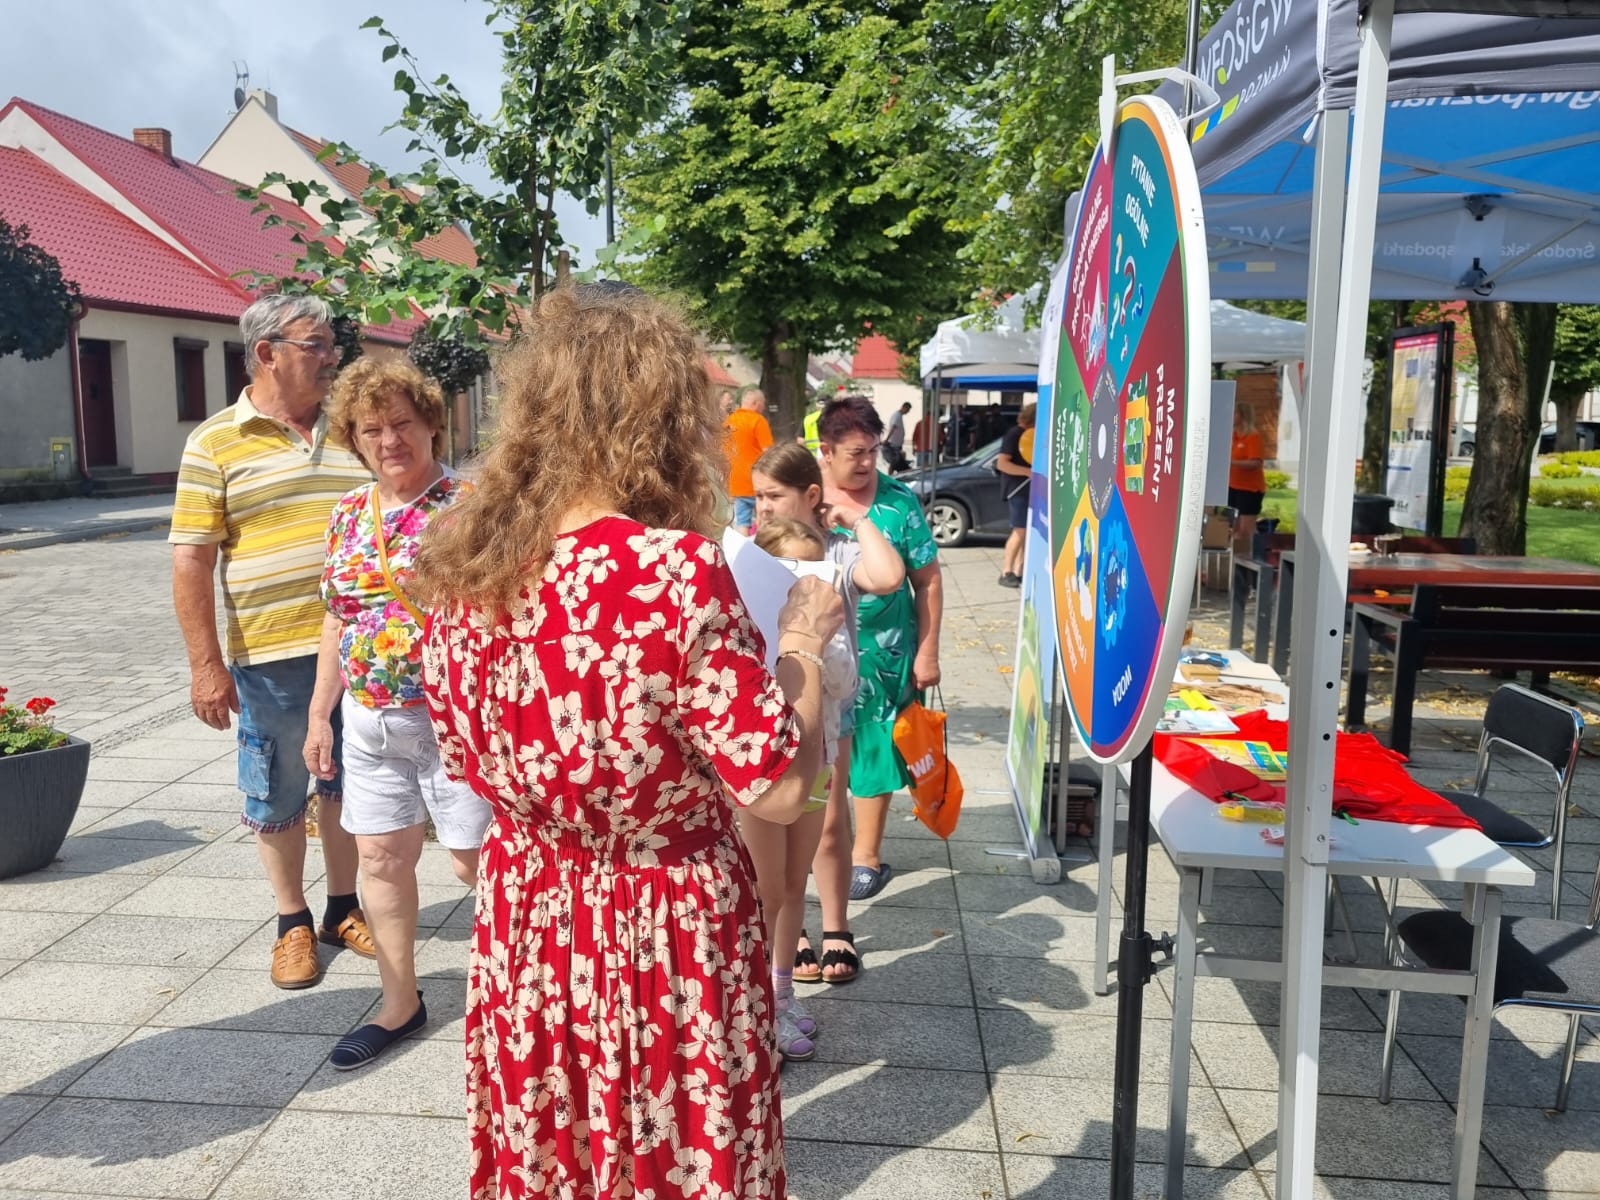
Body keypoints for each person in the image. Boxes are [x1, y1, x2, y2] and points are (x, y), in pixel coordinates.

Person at [411, 282, 843, 1200]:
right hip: (665, 923)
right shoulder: (673, 572)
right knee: (672, 1149)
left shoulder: (464, 562)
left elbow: (461, 757)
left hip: (529, 910)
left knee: (554, 1148)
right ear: (660, 419)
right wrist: (802, 646)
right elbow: (775, 789)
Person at [170, 294, 374, 990]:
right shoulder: (215, 442)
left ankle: (343, 908)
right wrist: (206, 666)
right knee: (279, 788)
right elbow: (192, 559)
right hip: (272, 654)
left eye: (331, 344)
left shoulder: (353, 431)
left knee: (345, 780)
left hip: (362, 651)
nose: (332, 357)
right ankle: (292, 921)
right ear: (267, 353)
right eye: (316, 345)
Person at [303, 359, 491, 1069]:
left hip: (455, 724)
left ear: (432, 423)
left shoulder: (471, 505)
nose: (389, 441)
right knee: (380, 859)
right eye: (371, 429)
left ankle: (523, 996)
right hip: (369, 722)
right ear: (353, 439)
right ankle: (398, 1001)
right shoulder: (350, 513)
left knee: (478, 863)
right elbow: (337, 617)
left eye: (402, 423)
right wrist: (320, 714)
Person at [751, 442, 904, 987]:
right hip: (767, 728)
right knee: (771, 847)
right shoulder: (755, 552)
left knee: (830, 825)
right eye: (758, 496)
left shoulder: (834, 552)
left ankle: (836, 926)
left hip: (827, 719)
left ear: (810, 494)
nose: (763, 507)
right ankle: (787, 946)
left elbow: (888, 576)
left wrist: (855, 519)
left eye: (774, 496)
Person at [817, 397, 942, 902]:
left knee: (875, 747)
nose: (868, 461)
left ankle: (865, 855)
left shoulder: (897, 502)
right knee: (823, 751)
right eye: (855, 452)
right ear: (826, 450)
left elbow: (927, 580)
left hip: (884, 655)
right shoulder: (806, 494)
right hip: (819, 649)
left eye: (872, 450)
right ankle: (824, 845)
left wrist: (927, 652)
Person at [748, 516, 854, 1057]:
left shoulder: (831, 627)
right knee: (764, 891)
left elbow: (845, 684)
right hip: (762, 773)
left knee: (794, 884)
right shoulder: (744, 619)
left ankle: (781, 995)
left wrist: (820, 640)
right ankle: (752, 1006)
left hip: (817, 766)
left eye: (815, 570)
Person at [996, 404, 1037, 587]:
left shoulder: (1030, 434)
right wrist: (1028, 472)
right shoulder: (1014, 434)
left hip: (1027, 489)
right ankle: (1006, 571)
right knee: (1019, 530)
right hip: (1017, 489)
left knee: (1025, 531)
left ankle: (1019, 570)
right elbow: (1002, 463)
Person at [725, 386, 774, 533]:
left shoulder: (728, 421)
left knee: (742, 523)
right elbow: (769, 452)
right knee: (764, 520)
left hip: (735, 482)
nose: (763, 407)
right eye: (763, 404)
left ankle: (744, 546)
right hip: (756, 481)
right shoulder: (758, 421)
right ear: (756, 403)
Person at [1229, 405, 1268, 550]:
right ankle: (1234, 555)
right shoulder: (1233, 436)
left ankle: (1249, 555)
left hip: (1249, 489)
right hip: (1232, 487)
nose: (1232, 416)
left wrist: (1232, 462)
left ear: (1243, 416)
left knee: (1245, 530)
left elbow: (1256, 462)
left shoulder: (1253, 437)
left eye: (1235, 413)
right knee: (1233, 527)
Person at [884, 401, 912, 472]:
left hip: (897, 443)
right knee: (894, 462)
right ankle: (891, 475)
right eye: (908, 410)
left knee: (897, 461)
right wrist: (887, 439)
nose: (908, 412)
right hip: (894, 443)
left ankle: (896, 474)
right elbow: (893, 428)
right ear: (904, 407)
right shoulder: (897, 416)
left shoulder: (899, 416)